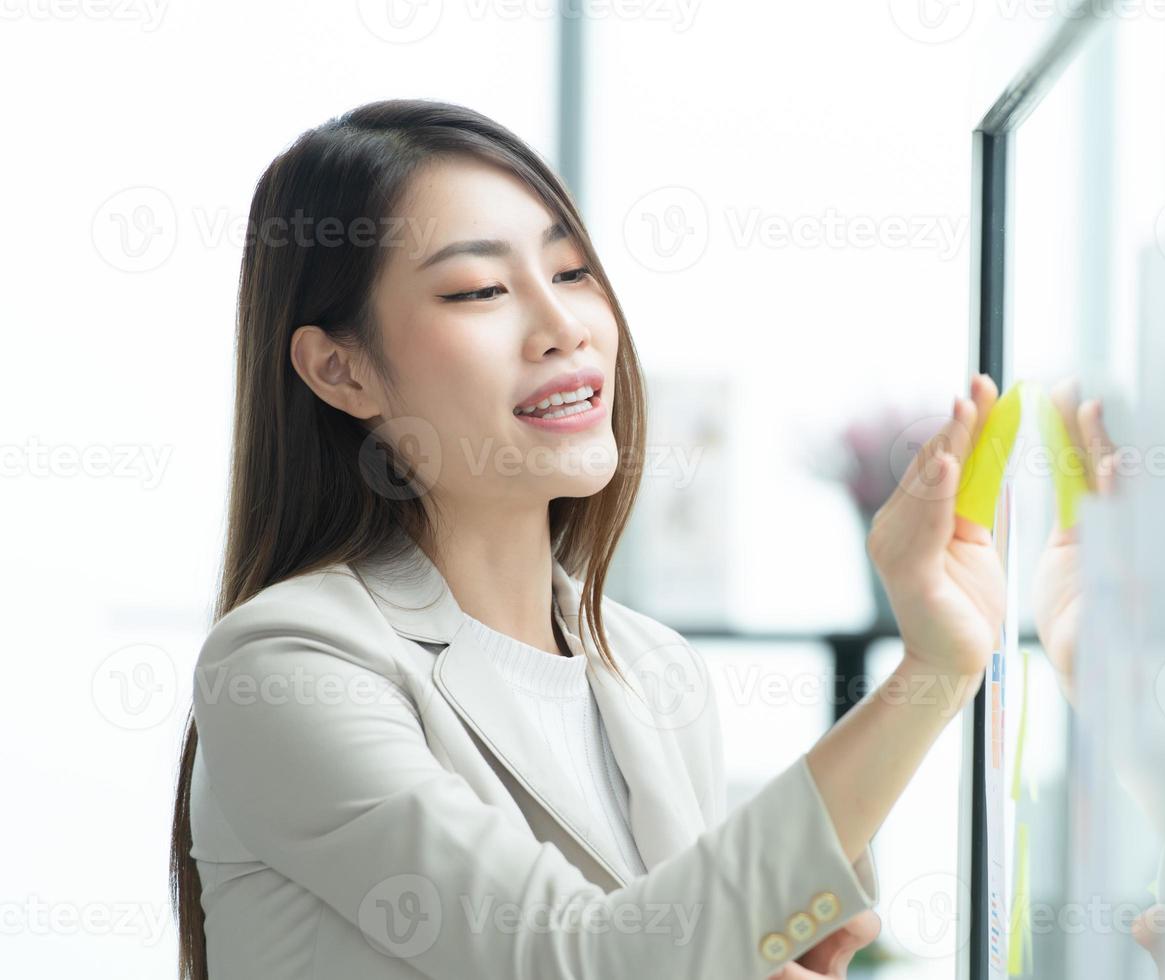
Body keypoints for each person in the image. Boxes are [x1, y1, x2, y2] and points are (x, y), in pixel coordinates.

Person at [168, 98, 1029, 980]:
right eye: (479, 291)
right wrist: (931, 675)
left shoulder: (654, 671)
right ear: (339, 370)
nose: (564, 327)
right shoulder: (286, 666)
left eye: (573, 273)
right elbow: (591, 962)